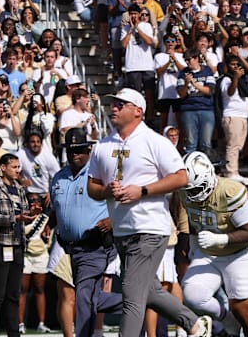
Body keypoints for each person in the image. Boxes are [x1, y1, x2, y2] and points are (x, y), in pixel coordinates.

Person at [87, 87, 212, 337]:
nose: (114, 108)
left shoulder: (155, 141)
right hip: (122, 230)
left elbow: (181, 177)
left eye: (121, 104)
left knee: (133, 295)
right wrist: (107, 191)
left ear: (138, 111)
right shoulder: (102, 145)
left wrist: (142, 191)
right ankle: (195, 325)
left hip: (150, 228)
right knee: (149, 290)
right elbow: (92, 186)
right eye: (113, 103)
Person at [180, 151, 248, 337]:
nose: (193, 193)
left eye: (196, 188)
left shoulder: (229, 191)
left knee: (243, 311)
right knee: (193, 296)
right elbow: (194, 224)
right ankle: (227, 321)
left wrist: (220, 239)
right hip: (208, 254)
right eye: (189, 189)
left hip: (238, 254)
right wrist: (194, 245)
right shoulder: (184, 192)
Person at [52, 127, 122, 337]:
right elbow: (58, 210)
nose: (75, 154)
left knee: (83, 296)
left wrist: (112, 220)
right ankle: (139, 301)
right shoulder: (58, 177)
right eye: (71, 150)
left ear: (89, 149)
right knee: (89, 297)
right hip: (71, 250)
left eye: (80, 150)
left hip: (95, 245)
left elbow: (124, 199)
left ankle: (139, 301)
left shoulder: (99, 172)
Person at [0, 153, 39, 337]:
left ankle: (13, 333)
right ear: (3, 168)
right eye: (14, 167)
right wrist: (17, 218)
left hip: (18, 245)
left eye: (19, 167)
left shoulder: (19, 188)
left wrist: (31, 213)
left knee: (14, 295)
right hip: (1, 245)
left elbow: (24, 215)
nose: (18, 170)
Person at [18, 192, 51, 334]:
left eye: (37, 201)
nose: (35, 204)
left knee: (39, 289)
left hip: (41, 256)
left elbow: (48, 239)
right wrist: (30, 218)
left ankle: (41, 323)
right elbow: (22, 233)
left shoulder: (46, 219)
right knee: (22, 290)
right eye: (31, 201)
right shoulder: (22, 218)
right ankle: (20, 323)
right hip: (25, 256)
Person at [176, 48, 216, 155]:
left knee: (206, 144)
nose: (187, 62)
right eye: (185, 60)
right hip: (188, 110)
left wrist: (194, 84)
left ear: (196, 58)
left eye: (189, 60)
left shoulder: (207, 71)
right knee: (190, 143)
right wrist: (186, 84)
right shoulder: (183, 73)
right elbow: (182, 94)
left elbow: (210, 91)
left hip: (206, 109)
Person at [220, 55, 248, 182]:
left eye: (237, 64)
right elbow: (230, 92)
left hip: (242, 116)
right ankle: (231, 172)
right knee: (232, 145)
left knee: (238, 146)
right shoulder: (226, 79)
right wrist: (236, 78)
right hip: (232, 115)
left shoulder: (244, 81)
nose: (235, 67)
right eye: (232, 64)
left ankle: (235, 170)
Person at [17, 132, 60, 208]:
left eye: (38, 142)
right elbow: (12, 171)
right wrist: (21, 180)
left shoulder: (48, 156)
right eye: (32, 142)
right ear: (27, 143)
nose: (35, 144)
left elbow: (58, 176)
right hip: (28, 193)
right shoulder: (21, 154)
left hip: (45, 194)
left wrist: (51, 192)